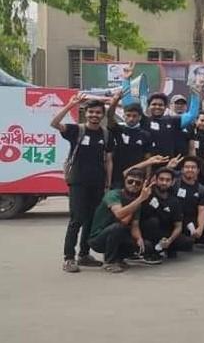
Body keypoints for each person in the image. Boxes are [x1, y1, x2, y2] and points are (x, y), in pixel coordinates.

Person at [51, 93, 112, 273]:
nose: (94, 115)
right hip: (78, 182)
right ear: (86, 113)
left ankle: (84, 255)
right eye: (91, 112)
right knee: (76, 219)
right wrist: (70, 105)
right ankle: (69, 258)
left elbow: (108, 160)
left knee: (91, 220)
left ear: (102, 115)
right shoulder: (76, 130)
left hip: (98, 183)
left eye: (98, 112)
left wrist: (108, 184)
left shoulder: (106, 134)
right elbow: (54, 123)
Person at [87, 168, 152, 273]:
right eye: (130, 181)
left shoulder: (136, 202)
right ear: (125, 181)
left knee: (146, 245)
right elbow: (120, 215)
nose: (134, 185)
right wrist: (140, 199)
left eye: (138, 183)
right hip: (98, 238)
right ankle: (109, 262)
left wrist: (139, 239)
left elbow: (135, 225)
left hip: (118, 235)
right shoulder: (113, 194)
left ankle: (119, 259)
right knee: (118, 227)